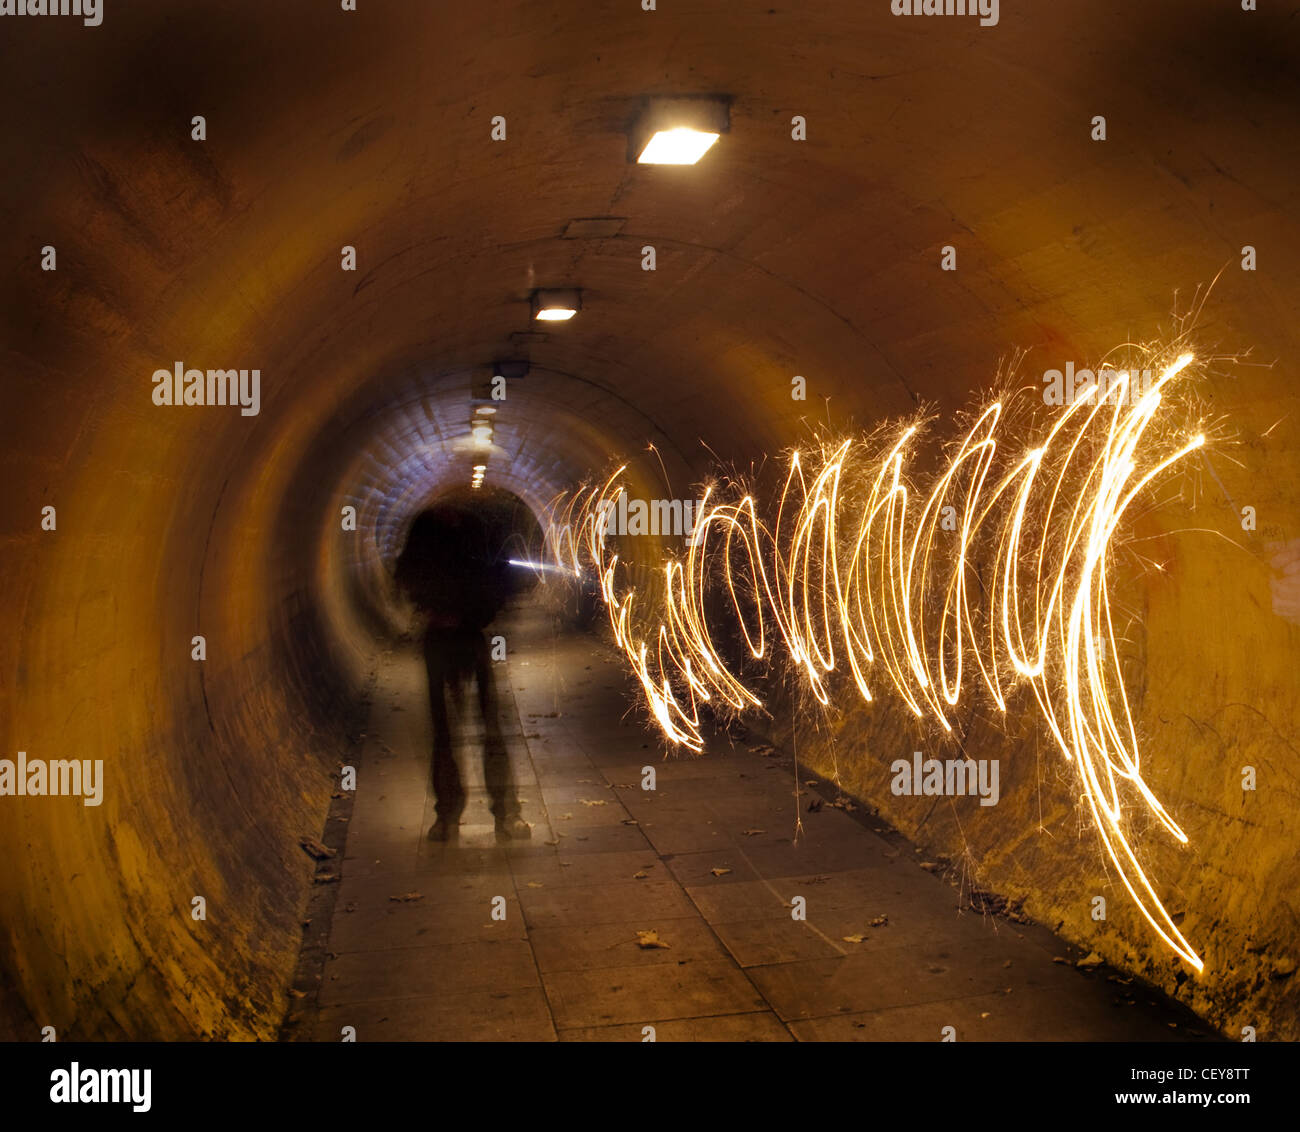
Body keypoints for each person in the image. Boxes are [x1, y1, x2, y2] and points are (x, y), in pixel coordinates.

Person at [393, 502, 531, 842]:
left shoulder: (475, 523)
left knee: (489, 726)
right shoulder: (427, 525)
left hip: (469, 635)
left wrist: (473, 613)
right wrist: (439, 608)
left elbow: (500, 575)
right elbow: (408, 574)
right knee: (447, 731)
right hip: (444, 637)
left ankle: (499, 813)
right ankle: (455, 815)